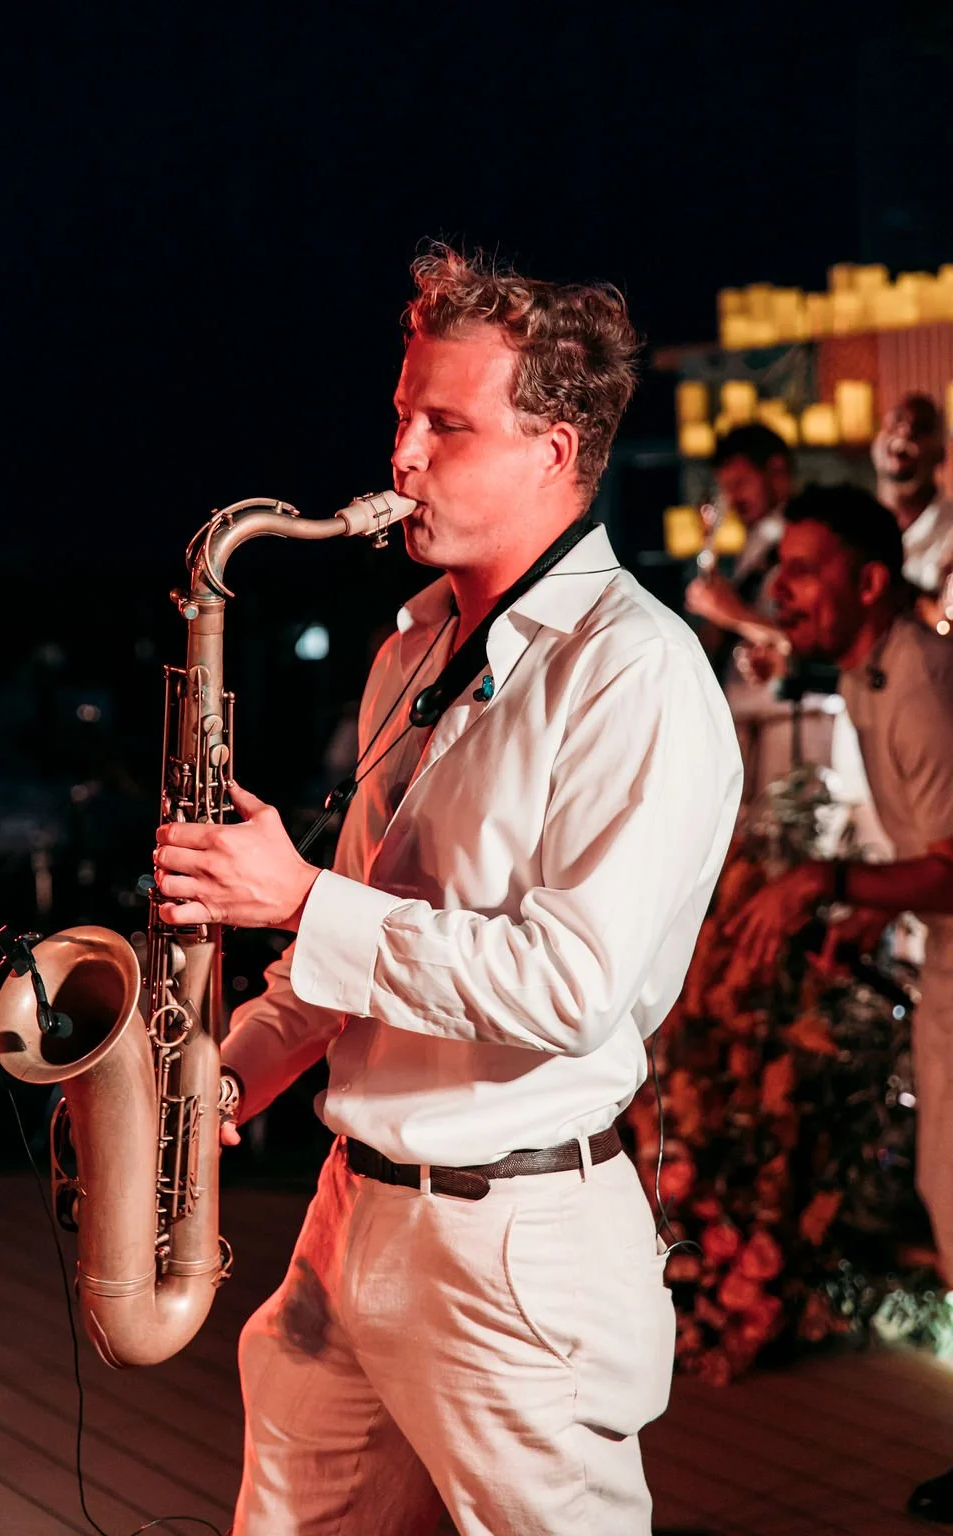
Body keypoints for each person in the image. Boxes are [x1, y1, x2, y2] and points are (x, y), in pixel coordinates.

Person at [153, 246, 742, 1536]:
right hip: (350, 1214)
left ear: (556, 447)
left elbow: (571, 987)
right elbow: (379, 924)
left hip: (512, 1249)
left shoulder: (635, 676)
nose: (403, 456)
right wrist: (241, 1066)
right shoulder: (415, 642)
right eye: (402, 415)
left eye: (447, 425)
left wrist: (299, 899)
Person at [724, 482, 953, 1524]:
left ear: (868, 580)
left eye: (804, 568)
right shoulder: (868, 669)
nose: (781, 586)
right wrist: (864, 914)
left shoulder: (916, 683)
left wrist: (828, 886)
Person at [683, 422, 795, 655]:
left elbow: (807, 643)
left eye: (739, 483)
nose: (732, 498)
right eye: (726, 488)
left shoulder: (801, 536)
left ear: (776, 469)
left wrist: (731, 613)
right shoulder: (757, 538)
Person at [873, 391, 953, 605]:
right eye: (896, 421)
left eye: (922, 428)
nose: (906, 431)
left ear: (941, 454)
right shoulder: (851, 525)